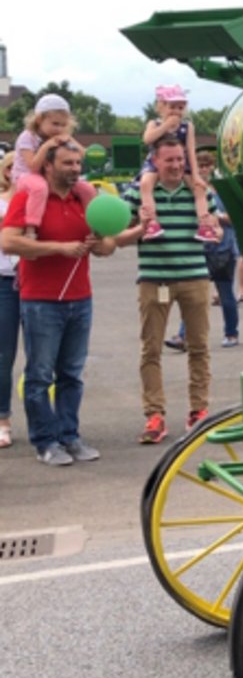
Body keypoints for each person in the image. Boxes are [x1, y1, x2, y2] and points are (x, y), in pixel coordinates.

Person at [0, 137, 117, 465]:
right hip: (41, 300)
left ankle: (70, 436)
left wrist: (98, 242)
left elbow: (108, 247)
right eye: (67, 163)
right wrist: (59, 248)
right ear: (48, 165)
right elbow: (8, 242)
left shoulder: (86, 199)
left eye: (78, 163)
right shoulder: (29, 196)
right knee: (40, 375)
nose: (75, 169)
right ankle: (45, 442)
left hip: (81, 298)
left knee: (72, 374)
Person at [115, 135, 221, 444]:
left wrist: (214, 230)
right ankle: (154, 415)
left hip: (195, 277)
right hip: (153, 279)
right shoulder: (137, 193)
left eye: (179, 159)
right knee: (151, 349)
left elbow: (215, 226)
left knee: (199, 348)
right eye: (169, 160)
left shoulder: (200, 192)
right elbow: (116, 237)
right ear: (155, 162)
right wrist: (139, 229)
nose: (176, 165)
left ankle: (198, 411)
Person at [166, 150, 239, 350]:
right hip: (199, 249)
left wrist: (217, 217)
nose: (205, 170)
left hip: (223, 249)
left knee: (225, 294)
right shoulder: (192, 190)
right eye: (201, 166)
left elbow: (235, 218)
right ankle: (184, 335)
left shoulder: (222, 190)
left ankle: (231, 333)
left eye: (207, 166)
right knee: (194, 295)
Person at [138, 85, 218, 243]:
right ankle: (152, 222)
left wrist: (195, 175)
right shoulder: (154, 123)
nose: (176, 111)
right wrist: (166, 125)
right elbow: (147, 139)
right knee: (146, 183)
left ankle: (204, 225)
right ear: (161, 106)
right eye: (172, 107)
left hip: (183, 164)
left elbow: (191, 150)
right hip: (155, 163)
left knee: (199, 189)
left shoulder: (187, 127)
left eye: (180, 108)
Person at [11, 94, 99, 236]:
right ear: (40, 119)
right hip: (26, 176)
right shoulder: (27, 137)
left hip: (48, 175)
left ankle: (93, 225)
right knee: (39, 188)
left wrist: (70, 139)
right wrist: (46, 146)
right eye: (55, 124)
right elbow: (33, 166)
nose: (59, 129)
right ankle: (31, 228)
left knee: (87, 189)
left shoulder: (58, 136)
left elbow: (82, 154)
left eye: (63, 125)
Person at [0, 152, 19, 449]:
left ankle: (47, 420)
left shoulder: (39, 195)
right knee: (4, 355)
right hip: (5, 279)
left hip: (35, 279)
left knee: (44, 360)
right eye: (11, 167)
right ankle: (3, 418)